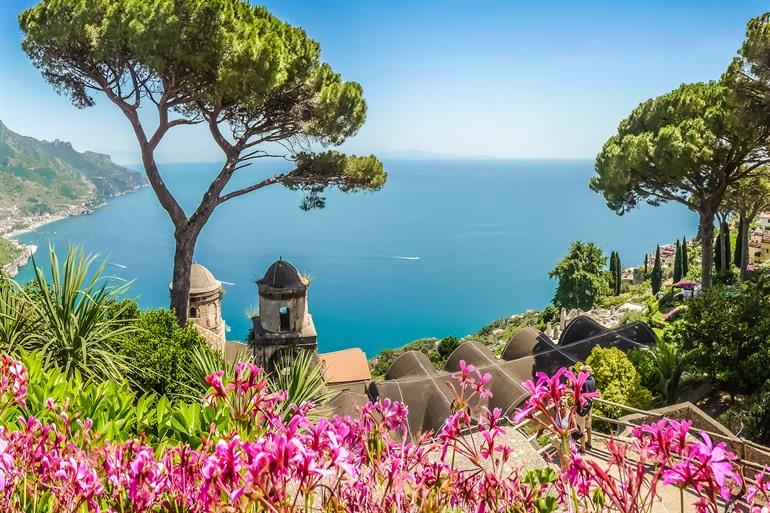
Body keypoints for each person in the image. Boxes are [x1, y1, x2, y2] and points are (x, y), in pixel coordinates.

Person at [575, 364, 595, 452]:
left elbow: (577, 391)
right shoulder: (593, 380)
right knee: (589, 426)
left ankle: (583, 447)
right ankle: (589, 442)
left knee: (581, 427)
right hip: (590, 405)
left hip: (582, 407)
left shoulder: (583, 382)